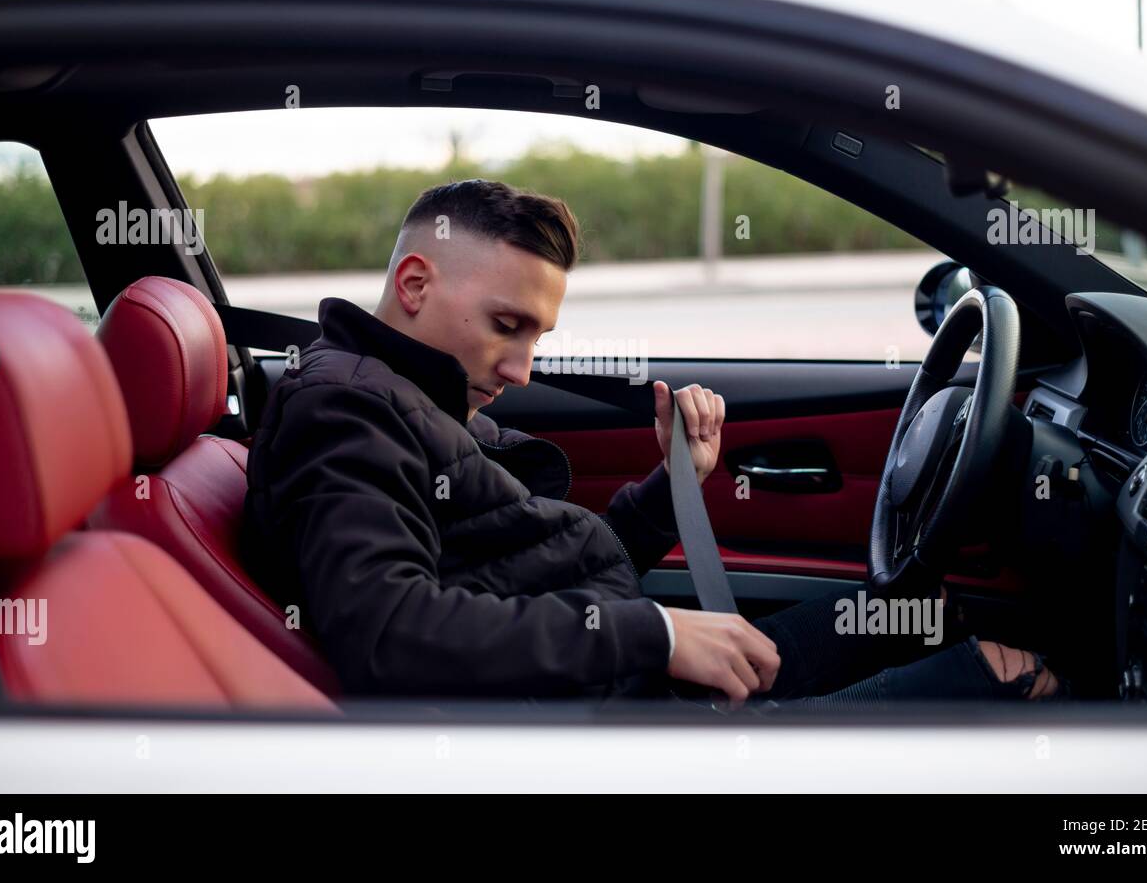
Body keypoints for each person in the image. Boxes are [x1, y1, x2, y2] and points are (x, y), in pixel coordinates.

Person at [242, 179, 1061, 709]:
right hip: (620, 722)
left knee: (907, 613)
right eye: (507, 325)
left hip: (622, 677)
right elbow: (391, 633)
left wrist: (674, 485)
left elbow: (526, 566)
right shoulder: (344, 411)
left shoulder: (411, 394)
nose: (523, 368)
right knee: (1003, 674)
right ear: (415, 284)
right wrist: (659, 635)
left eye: (538, 334)